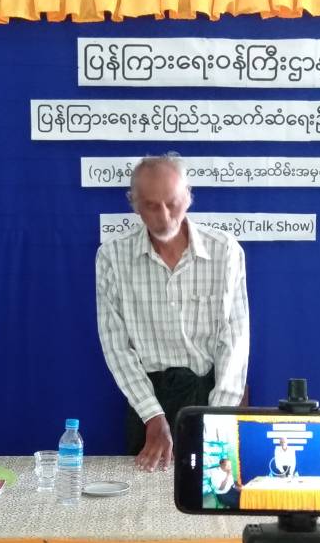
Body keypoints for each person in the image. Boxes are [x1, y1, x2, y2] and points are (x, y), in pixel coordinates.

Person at [96, 153, 250, 471]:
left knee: (211, 492)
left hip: (210, 395)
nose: (164, 217)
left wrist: (215, 420)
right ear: (134, 204)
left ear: (188, 197)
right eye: (151, 206)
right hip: (147, 402)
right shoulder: (112, 257)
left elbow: (235, 342)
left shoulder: (225, 251)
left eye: (173, 203)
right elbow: (116, 346)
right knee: (145, 495)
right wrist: (152, 416)